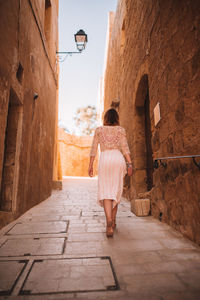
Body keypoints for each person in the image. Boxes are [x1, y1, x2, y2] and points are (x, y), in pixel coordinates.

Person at [88, 108, 132, 237]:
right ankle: (113, 222)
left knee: (106, 192)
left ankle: (108, 221)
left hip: (105, 160)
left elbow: (94, 149)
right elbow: (125, 148)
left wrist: (90, 165)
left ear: (105, 119)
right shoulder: (120, 130)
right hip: (118, 159)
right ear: (117, 118)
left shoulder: (99, 130)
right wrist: (130, 164)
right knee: (115, 192)